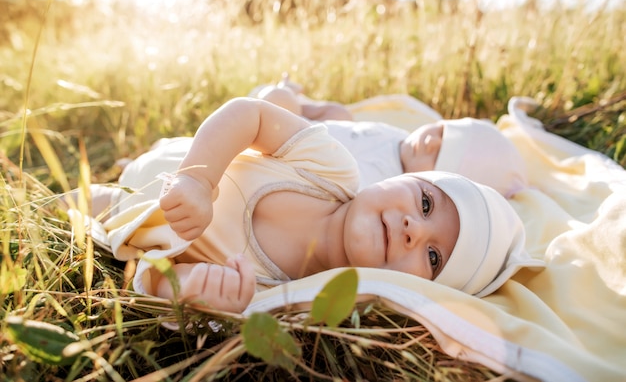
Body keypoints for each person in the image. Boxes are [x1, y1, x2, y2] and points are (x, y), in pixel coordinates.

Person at [77, 97, 542, 314]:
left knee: (74, 206)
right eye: (424, 202)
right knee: (104, 178)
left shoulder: (290, 294)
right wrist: (198, 179)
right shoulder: (331, 169)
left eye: (433, 255)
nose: (412, 229)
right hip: (182, 160)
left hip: (127, 221)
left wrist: (198, 290)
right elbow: (249, 113)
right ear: (405, 178)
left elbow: (152, 275)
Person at [252, 78, 528, 197]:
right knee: (340, 112)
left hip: (299, 146)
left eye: (441, 155)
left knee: (275, 99)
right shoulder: (405, 137)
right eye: (441, 132)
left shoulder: (391, 183)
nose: (430, 142)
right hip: (325, 127)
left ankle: (286, 97)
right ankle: (301, 103)